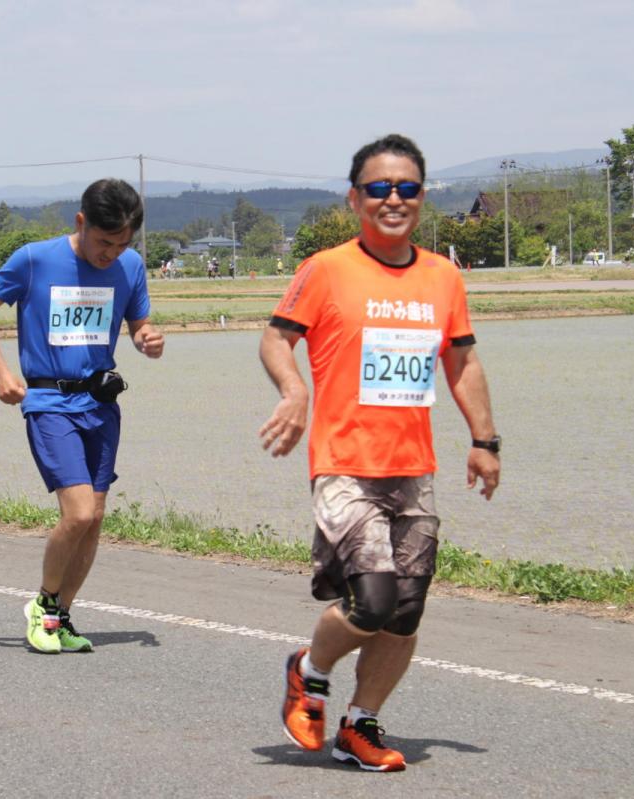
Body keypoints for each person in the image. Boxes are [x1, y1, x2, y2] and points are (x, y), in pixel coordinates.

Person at [259, 135, 499, 772]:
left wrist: (484, 440)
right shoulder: (327, 268)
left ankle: (360, 725)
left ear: (422, 197)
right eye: (378, 188)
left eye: (407, 188)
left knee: (406, 611)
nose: (393, 199)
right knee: (374, 600)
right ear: (355, 198)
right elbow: (277, 340)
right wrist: (293, 389)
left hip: (412, 467)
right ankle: (308, 670)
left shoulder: (443, 275)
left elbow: (463, 361)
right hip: (343, 463)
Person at [0, 178, 164, 654]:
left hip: (100, 405)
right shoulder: (36, 259)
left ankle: (60, 617)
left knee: (94, 518)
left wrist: (147, 341)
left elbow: (139, 325)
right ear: (81, 222)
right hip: (48, 403)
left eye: (122, 244)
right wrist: (1, 372)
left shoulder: (130, 267)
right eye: (104, 242)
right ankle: (42, 603)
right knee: (76, 513)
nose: (111, 254)